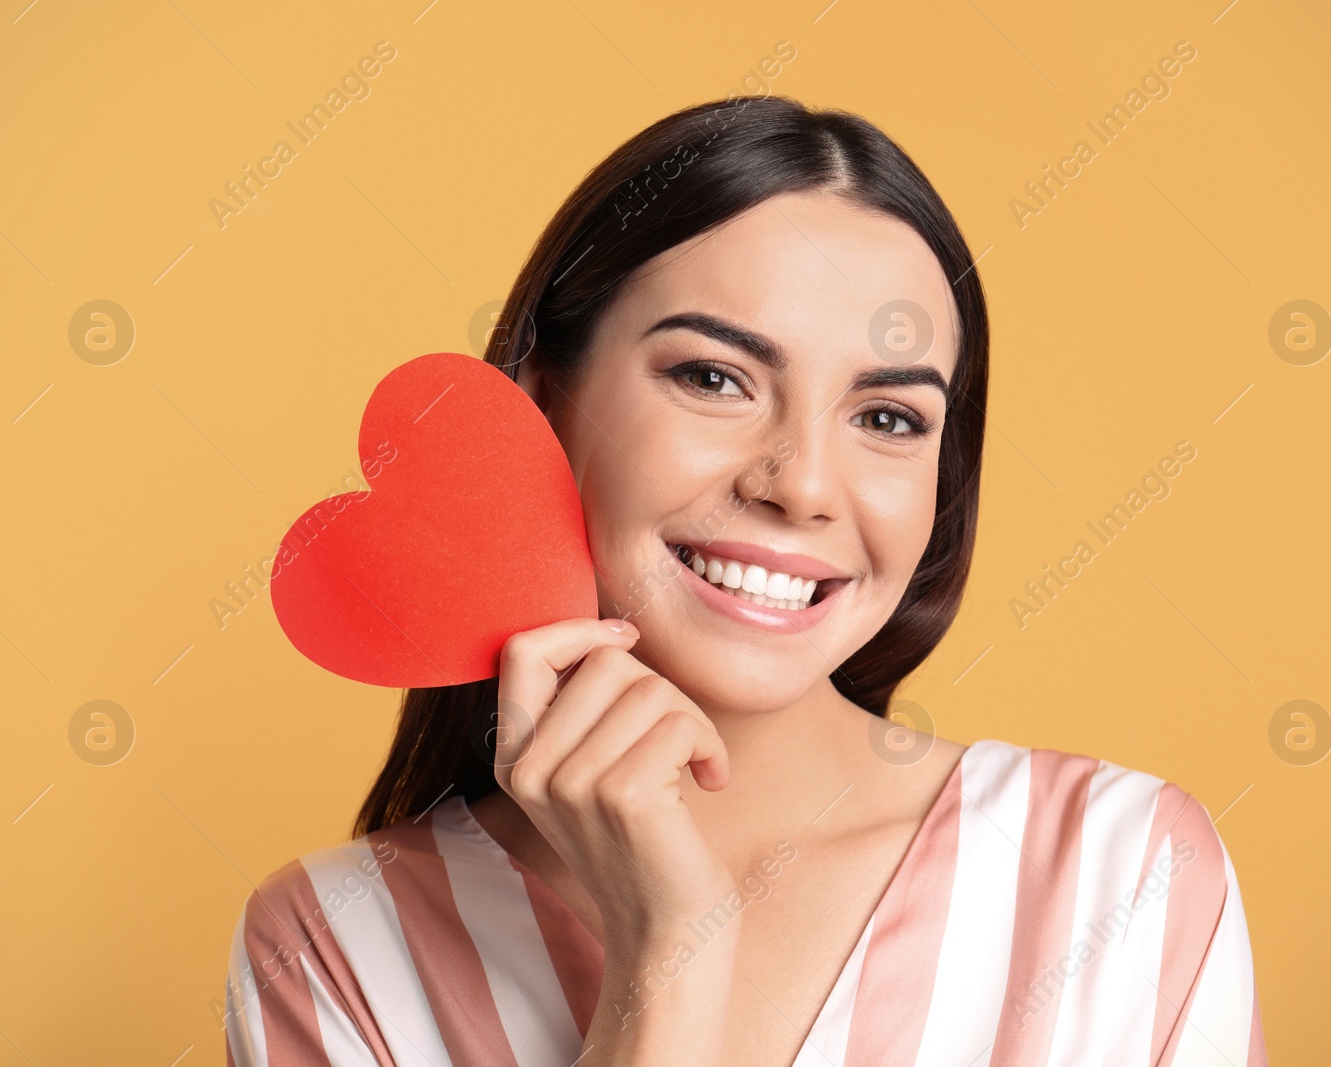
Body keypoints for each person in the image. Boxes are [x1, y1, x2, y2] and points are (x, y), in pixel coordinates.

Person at [223, 95, 1266, 1066]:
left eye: (888, 417)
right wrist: (662, 964)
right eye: (714, 377)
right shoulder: (335, 948)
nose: (803, 484)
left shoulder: (1122, 875)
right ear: (540, 403)